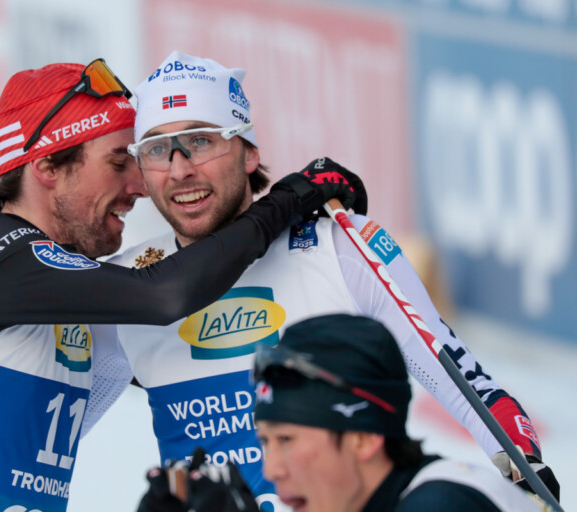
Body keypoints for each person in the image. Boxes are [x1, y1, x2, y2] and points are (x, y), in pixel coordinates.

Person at [0, 58, 360, 512]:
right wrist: (287, 199)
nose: (138, 184)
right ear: (48, 167)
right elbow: (164, 296)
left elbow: (116, 377)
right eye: (119, 162)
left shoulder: (65, 296)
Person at [107, 51, 557, 510]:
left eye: (201, 141)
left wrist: (523, 466)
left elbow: (462, 382)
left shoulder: (339, 245)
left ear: (249, 153)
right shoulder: (123, 285)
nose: (181, 170)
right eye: (158, 149)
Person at [251, 314, 548, 511]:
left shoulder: (440, 504)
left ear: (364, 439)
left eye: (286, 440)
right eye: (265, 441)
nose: (271, 470)